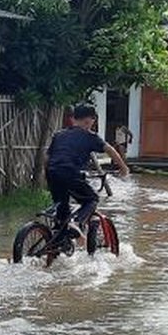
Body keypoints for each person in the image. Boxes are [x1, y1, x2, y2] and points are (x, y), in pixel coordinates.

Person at [46, 103, 130, 242]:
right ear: (89, 120)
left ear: (74, 119)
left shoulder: (59, 135)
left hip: (52, 172)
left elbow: (47, 158)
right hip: (70, 172)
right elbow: (110, 150)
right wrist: (123, 167)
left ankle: (57, 241)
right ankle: (77, 222)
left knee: (62, 206)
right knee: (92, 199)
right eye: (93, 120)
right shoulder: (90, 136)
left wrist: (49, 175)